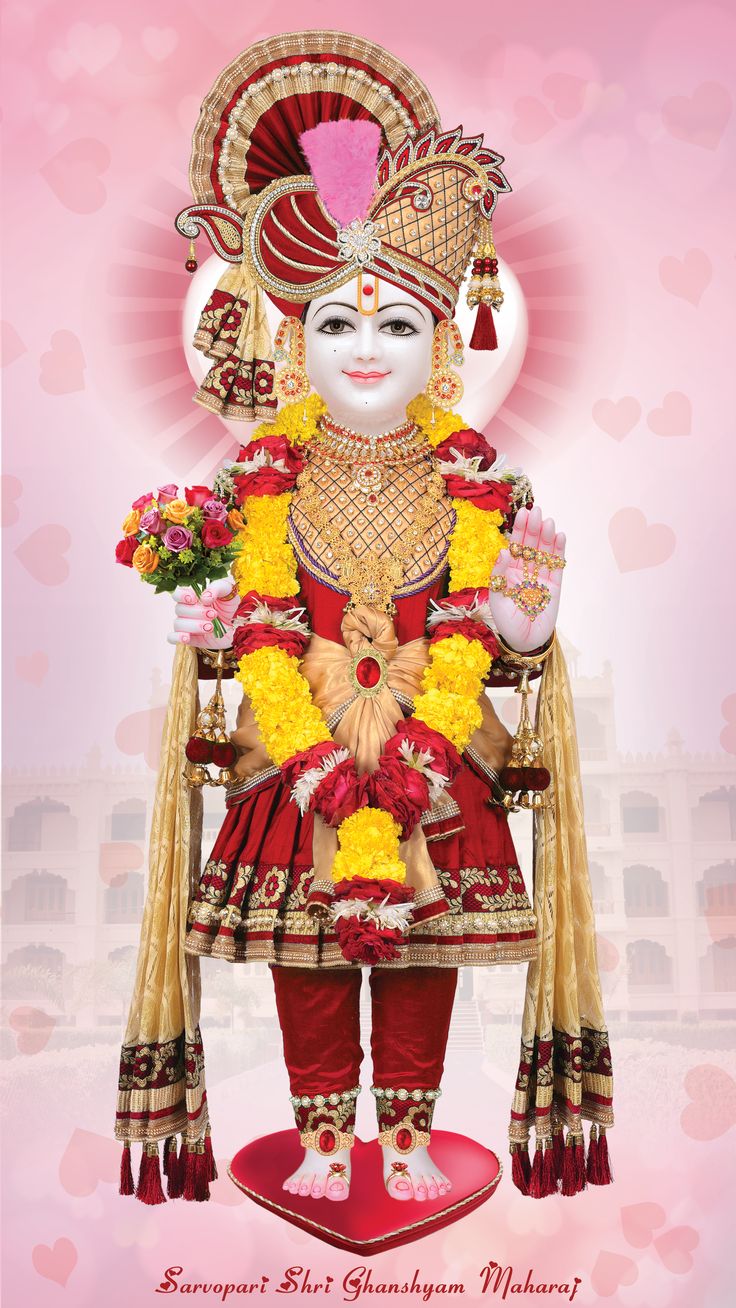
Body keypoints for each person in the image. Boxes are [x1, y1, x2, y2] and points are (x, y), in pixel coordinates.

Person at [115, 30, 613, 1210]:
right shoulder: (250, 489)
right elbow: (242, 639)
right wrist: (212, 634)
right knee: (316, 965)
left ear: (443, 343)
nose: (367, 350)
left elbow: (507, 656)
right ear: (291, 341)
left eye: (395, 325)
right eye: (336, 324)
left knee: (425, 953)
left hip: (446, 758)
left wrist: (526, 627)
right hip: (293, 761)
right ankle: (323, 1142)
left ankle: (405, 1142)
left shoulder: (482, 486)